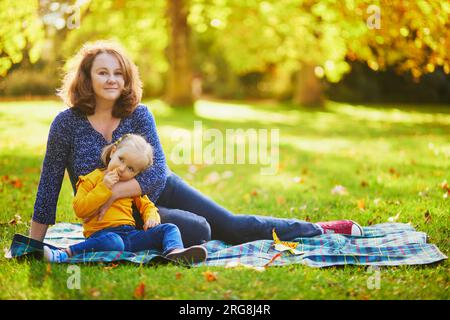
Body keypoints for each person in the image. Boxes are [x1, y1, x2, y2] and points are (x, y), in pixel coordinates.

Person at [31, 40, 363, 250]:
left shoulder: (139, 114)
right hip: (114, 216)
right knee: (199, 229)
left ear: (127, 78)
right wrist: (34, 245)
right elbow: (48, 185)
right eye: (102, 72)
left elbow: (157, 173)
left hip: (157, 189)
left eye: (119, 73)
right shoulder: (67, 123)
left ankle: (316, 229)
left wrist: (113, 191)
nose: (112, 80)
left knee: (231, 225)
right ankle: (181, 238)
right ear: (86, 78)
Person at [43, 133, 208, 264]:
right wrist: (104, 188)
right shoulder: (91, 179)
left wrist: (151, 216)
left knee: (169, 228)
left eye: (131, 168)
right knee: (114, 242)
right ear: (113, 152)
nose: (122, 169)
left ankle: (174, 253)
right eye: (121, 159)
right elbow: (80, 209)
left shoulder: (130, 186)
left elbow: (147, 205)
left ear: (136, 173)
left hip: (130, 236)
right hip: (102, 236)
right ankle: (66, 253)